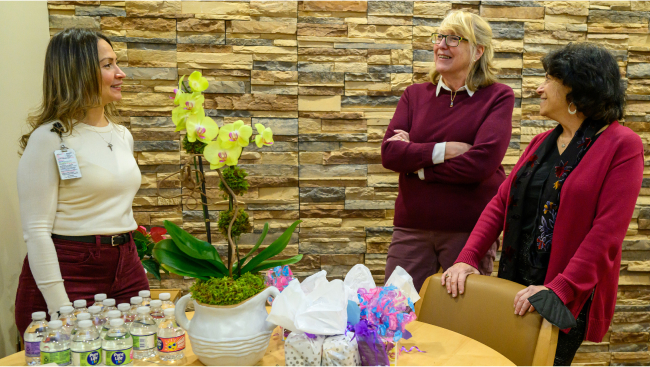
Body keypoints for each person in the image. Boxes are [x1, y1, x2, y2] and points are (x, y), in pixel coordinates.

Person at [443, 43, 643, 365]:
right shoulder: (541, 143)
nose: (539, 88)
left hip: (563, 294)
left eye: (548, 79)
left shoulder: (623, 145)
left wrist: (558, 289)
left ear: (576, 89)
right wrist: (467, 257)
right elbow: (500, 204)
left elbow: (607, 233)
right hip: (514, 286)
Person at [15, 28, 148, 336]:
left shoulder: (122, 135)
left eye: (116, 63)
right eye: (108, 65)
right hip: (70, 270)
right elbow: (36, 231)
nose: (120, 73)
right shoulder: (48, 139)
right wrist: (60, 307)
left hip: (125, 264)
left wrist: (130, 262)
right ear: (79, 72)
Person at [381, 10, 515, 291]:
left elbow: (481, 164)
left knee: (460, 322)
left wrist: (416, 166)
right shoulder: (414, 95)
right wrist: (444, 150)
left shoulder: (498, 96)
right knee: (395, 314)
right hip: (411, 227)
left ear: (478, 51)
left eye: (454, 39)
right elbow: (390, 155)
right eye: (439, 36)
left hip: (470, 232)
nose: (441, 45)